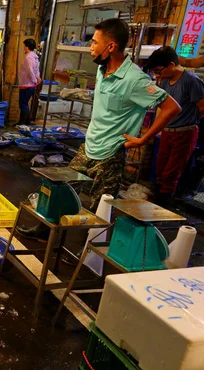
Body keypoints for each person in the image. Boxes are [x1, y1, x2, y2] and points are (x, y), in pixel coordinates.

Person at [18, 18, 181, 241]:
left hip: (110, 155)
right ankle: (45, 232)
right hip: (89, 146)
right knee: (61, 189)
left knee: (99, 211)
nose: (91, 47)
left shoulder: (136, 80)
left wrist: (143, 139)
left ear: (111, 46)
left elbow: (172, 107)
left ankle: (88, 256)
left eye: (95, 42)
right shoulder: (102, 69)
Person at [143, 46, 204, 206]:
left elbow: (202, 108)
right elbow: (162, 107)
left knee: (171, 173)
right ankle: (155, 205)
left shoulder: (191, 81)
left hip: (185, 132)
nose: (157, 75)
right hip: (167, 132)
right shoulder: (165, 81)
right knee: (160, 170)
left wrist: (189, 122)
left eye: (158, 70)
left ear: (171, 65)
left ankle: (161, 209)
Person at [18, 38, 41, 125]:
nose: (23, 48)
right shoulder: (35, 57)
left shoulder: (29, 57)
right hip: (30, 85)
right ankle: (26, 122)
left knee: (23, 103)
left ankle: (22, 123)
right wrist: (37, 78)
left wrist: (35, 80)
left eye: (24, 46)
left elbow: (31, 71)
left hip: (27, 84)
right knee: (25, 103)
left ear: (27, 47)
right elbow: (36, 70)